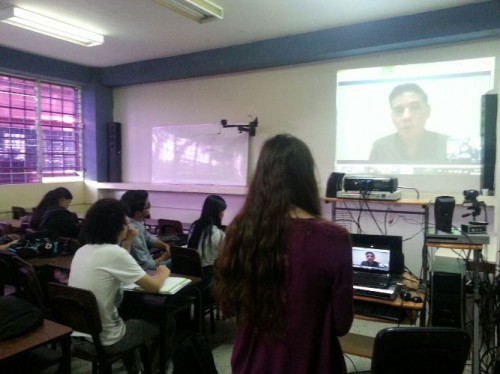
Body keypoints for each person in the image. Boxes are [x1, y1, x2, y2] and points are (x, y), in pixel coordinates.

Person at [214, 134, 354, 374]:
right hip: (312, 364)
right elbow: (341, 324)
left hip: (251, 365)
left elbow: (229, 306)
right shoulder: (333, 238)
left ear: (261, 177)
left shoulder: (240, 231)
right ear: (307, 178)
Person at [69, 198, 172, 374]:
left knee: (128, 318)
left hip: (79, 337)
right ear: (116, 226)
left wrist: (127, 241)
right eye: (125, 222)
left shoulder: (83, 250)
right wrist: (163, 273)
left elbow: (118, 263)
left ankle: (135, 370)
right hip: (105, 342)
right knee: (167, 321)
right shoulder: (113, 253)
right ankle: (154, 370)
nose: (127, 225)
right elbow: (154, 287)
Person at [369, 83, 449, 163]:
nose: (406, 117)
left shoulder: (448, 146)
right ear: (392, 117)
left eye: (415, 108)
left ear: (427, 111)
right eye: (399, 110)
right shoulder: (381, 147)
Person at [120, 190, 171, 270]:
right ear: (138, 213)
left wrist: (166, 246)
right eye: (148, 205)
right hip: (146, 272)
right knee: (178, 261)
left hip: (148, 264)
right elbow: (146, 266)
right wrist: (164, 257)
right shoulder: (133, 232)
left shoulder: (135, 223)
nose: (150, 206)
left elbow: (150, 239)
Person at [187, 194, 226, 288]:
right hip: (210, 278)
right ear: (218, 213)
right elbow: (225, 259)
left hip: (192, 274)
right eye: (222, 211)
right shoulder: (218, 234)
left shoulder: (194, 227)